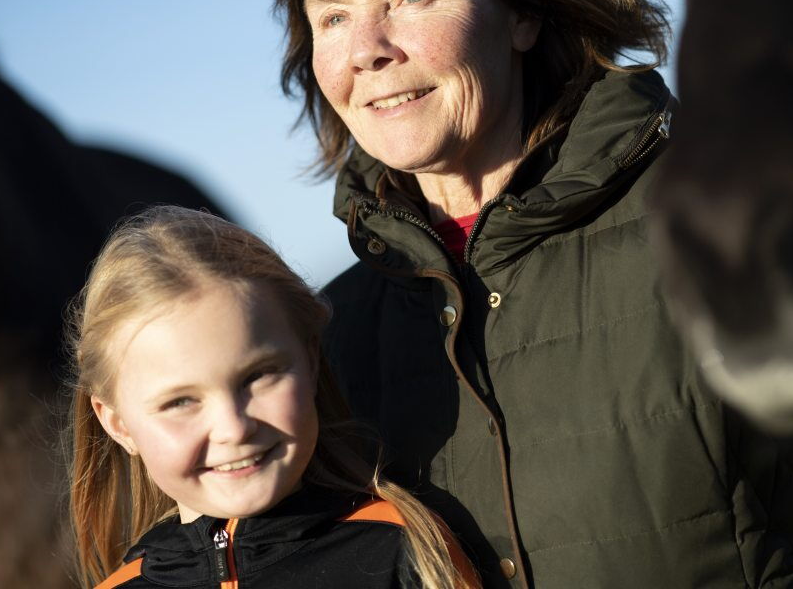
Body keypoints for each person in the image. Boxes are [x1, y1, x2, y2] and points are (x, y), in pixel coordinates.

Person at [275, 0, 793, 589]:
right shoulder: (328, 336)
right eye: (333, 18)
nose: (368, 50)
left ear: (520, 14)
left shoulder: (704, 216)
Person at [65, 205, 481, 589]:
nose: (233, 428)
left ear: (311, 361)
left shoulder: (404, 553)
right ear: (117, 423)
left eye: (259, 376)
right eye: (181, 402)